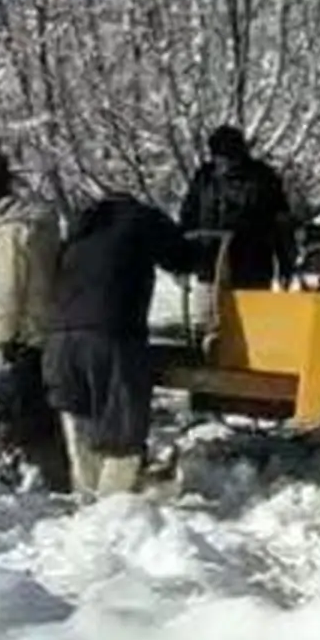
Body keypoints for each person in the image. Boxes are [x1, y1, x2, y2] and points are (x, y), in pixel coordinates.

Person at [44, 193, 196, 500]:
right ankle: (112, 512)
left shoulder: (81, 225)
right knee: (122, 434)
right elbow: (181, 255)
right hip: (111, 335)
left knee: (82, 429)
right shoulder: (141, 219)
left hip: (60, 340)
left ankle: (87, 505)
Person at [0, 134, 66, 491]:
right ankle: (53, 473)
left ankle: (28, 479)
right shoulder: (39, 221)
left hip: (22, 335)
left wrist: (1, 340)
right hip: (48, 330)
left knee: (17, 412)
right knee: (43, 411)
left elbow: (6, 291)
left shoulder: (8, 233)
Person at [178, 125, 297, 334]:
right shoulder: (205, 178)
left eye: (228, 158)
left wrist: (286, 263)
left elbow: (281, 224)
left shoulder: (263, 179)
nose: (223, 164)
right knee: (207, 325)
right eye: (219, 158)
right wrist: (180, 260)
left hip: (252, 266)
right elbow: (188, 218)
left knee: (250, 329)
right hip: (209, 266)